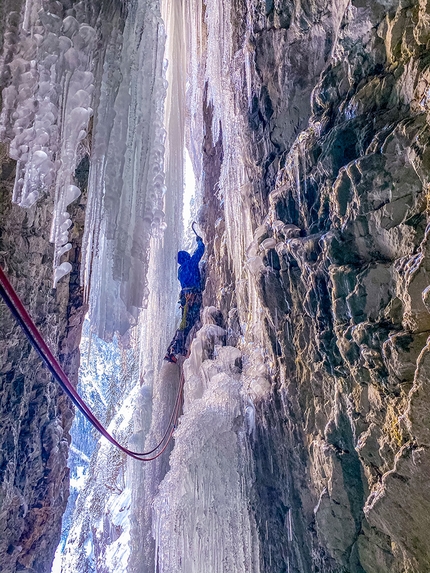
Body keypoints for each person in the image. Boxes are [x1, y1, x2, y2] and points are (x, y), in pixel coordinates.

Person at [164, 233, 205, 363]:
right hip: (193, 296)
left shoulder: (180, 271)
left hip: (185, 299)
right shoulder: (190, 264)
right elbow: (200, 251)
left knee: (184, 323)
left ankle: (173, 349)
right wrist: (199, 241)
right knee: (188, 323)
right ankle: (176, 349)